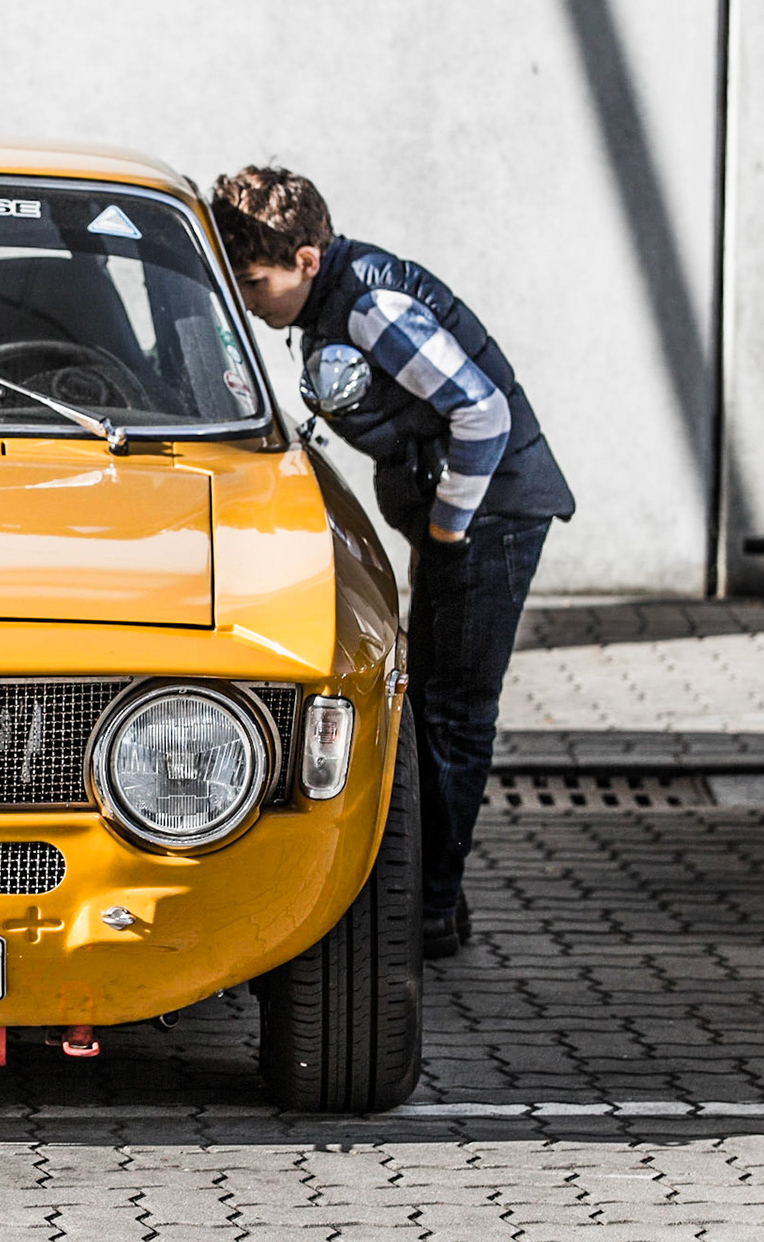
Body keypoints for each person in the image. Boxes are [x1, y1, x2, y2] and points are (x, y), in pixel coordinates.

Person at [210, 166, 575, 958]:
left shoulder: (373, 307)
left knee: (454, 714)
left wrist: (445, 532)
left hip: (494, 519)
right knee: (432, 704)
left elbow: (482, 413)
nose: (248, 300)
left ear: (307, 260)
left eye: (255, 282)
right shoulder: (338, 298)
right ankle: (435, 899)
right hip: (471, 521)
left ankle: (431, 910)